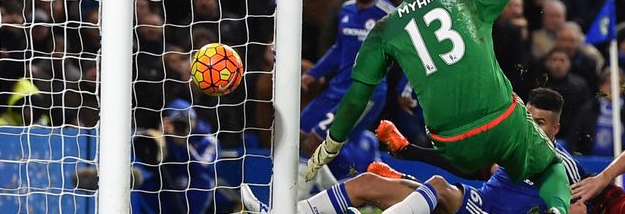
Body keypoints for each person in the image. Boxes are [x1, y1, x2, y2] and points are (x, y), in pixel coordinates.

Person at [305, 0, 625, 214]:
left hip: (449, 141)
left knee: (427, 186)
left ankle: (297, 208)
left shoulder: (385, 28)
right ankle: (557, 211)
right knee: (549, 167)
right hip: (499, 122)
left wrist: (333, 142)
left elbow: (358, 95)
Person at [243, 88, 587, 214]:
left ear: (556, 129)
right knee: (366, 184)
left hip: (477, 207)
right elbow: (467, 165)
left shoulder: (562, 166)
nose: (533, 127)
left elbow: (583, 206)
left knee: (437, 184)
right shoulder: (513, 144)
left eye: (541, 123)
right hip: (472, 202)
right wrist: (408, 152)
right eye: (529, 118)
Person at [299, 0, 395, 179]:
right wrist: (314, 73)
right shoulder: (346, 10)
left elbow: (403, 55)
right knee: (298, 135)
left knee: (316, 143)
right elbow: (338, 48)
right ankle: (334, 192)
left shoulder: (389, 15)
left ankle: (295, 203)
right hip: (337, 87)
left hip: (365, 93)